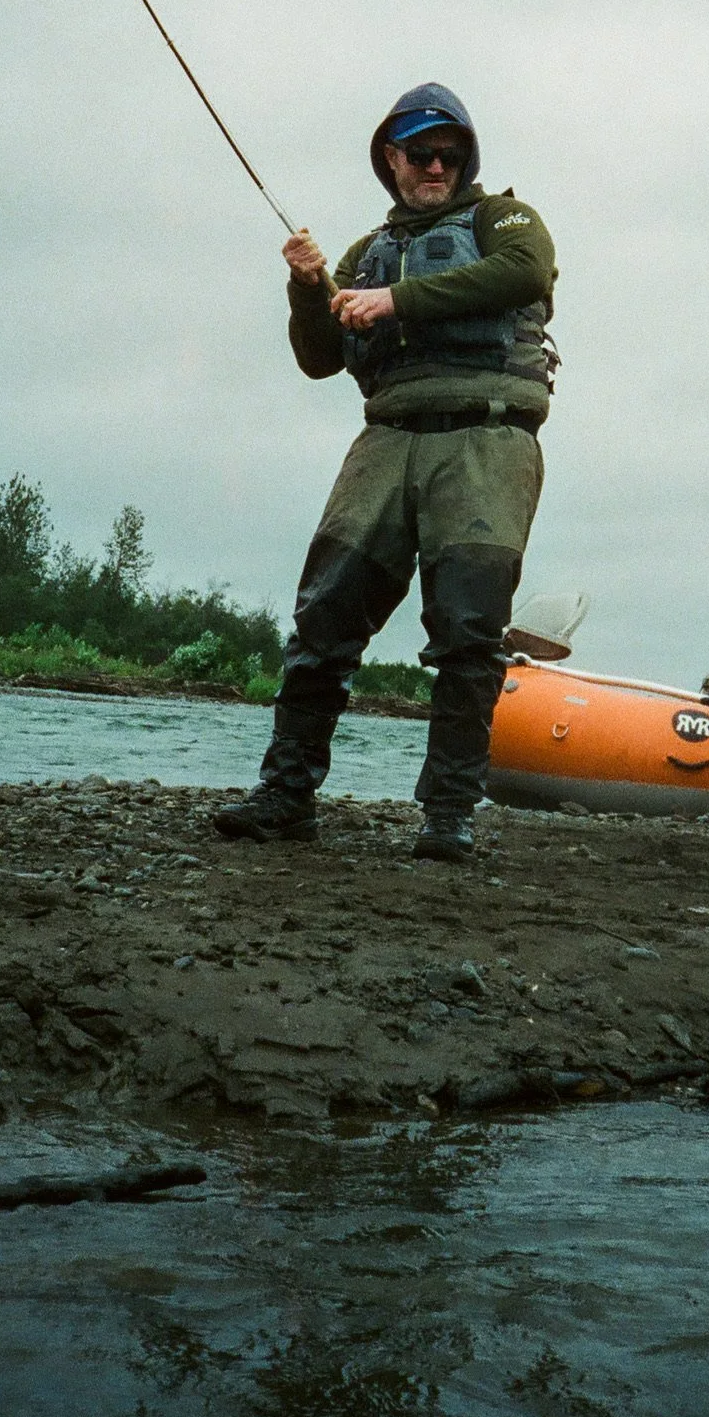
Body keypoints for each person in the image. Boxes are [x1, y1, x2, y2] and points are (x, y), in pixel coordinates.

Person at [214, 82, 557, 862]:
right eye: (420, 154)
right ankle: (286, 795)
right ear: (391, 160)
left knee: (468, 634)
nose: (436, 166)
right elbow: (317, 359)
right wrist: (308, 290)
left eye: (450, 153)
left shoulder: (504, 220)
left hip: (486, 442)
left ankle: (447, 818)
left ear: (465, 157)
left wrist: (394, 302)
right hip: (386, 441)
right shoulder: (364, 254)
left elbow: (524, 274)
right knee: (324, 616)